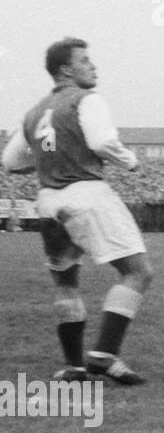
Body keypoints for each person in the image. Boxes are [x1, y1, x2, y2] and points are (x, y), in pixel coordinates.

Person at [1, 38, 150, 384]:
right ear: (66, 69)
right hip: (87, 194)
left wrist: (43, 163)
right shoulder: (87, 99)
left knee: (66, 284)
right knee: (137, 272)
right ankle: (103, 354)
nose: (93, 66)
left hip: (49, 202)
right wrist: (129, 161)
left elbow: (10, 162)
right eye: (85, 60)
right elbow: (100, 143)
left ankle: (74, 366)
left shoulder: (34, 111)